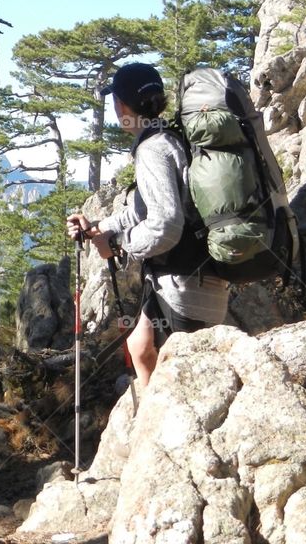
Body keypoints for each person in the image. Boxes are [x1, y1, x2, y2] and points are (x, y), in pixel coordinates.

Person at [66, 63, 229, 387]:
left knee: (183, 386)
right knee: (140, 348)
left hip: (185, 286)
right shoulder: (168, 138)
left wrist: (118, 243)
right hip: (189, 278)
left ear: (121, 106)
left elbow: (166, 225)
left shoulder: (153, 149)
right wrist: (100, 226)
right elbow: (143, 209)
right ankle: (148, 422)